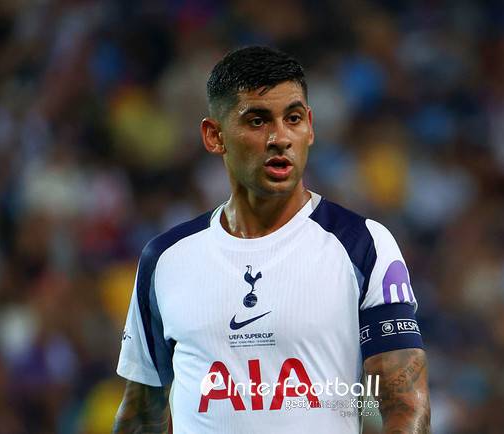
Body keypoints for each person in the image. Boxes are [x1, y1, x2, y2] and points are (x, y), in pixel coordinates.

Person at [113, 46, 430, 434]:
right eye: (257, 121)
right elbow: (141, 415)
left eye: (292, 119)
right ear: (214, 136)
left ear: (310, 127)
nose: (280, 137)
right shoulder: (165, 259)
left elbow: (404, 406)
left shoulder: (362, 244)